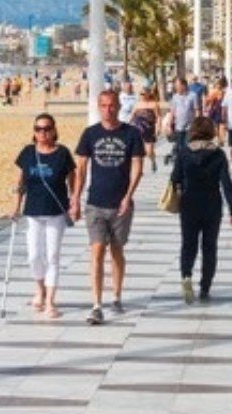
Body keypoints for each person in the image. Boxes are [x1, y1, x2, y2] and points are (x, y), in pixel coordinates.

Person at [71, 89, 145, 324]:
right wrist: (75, 199)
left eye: (111, 105)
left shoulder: (131, 134)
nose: (108, 109)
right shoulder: (90, 134)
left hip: (121, 203)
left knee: (116, 250)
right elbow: (81, 169)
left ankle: (116, 295)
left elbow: (137, 167)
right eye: (103, 105)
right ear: (98, 107)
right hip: (95, 202)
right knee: (97, 251)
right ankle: (96, 304)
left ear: (118, 106)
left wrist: (128, 195)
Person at [12, 112, 75, 318]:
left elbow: (72, 178)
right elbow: (19, 184)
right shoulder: (28, 153)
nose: (43, 133)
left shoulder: (63, 153)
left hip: (56, 212)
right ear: (34, 132)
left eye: (47, 129)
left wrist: (74, 202)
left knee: (53, 256)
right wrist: (15, 207)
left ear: (54, 130)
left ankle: (50, 301)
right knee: (33, 256)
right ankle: (39, 288)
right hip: (33, 211)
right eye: (38, 129)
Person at [170, 116, 232, 303]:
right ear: (211, 132)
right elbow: (226, 184)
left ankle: (186, 275)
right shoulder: (218, 155)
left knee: (188, 244)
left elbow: (175, 177)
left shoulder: (184, 153)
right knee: (210, 247)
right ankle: (205, 287)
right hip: (212, 206)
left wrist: (180, 186)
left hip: (189, 204)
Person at [132, 85, 163, 172]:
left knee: (149, 151)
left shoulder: (154, 104)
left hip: (149, 129)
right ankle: (139, 169)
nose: (141, 96)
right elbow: (132, 116)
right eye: (140, 94)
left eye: (143, 94)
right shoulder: (137, 105)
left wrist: (158, 127)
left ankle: (153, 161)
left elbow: (159, 117)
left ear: (148, 94)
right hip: (138, 129)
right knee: (138, 151)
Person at [166, 77, 198, 157]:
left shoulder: (193, 95)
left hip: (190, 126)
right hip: (179, 126)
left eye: (177, 86)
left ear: (184, 85)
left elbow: (197, 110)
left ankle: (187, 164)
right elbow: (172, 112)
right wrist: (169, 125)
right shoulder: (175, 97)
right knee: (179, 147)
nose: (176, 88)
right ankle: (181, 164)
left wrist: (197, 125)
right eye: (175, 86)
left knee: (188, 146)